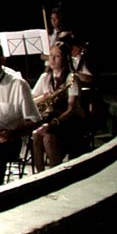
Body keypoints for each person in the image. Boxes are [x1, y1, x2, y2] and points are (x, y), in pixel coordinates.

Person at [0, 39, 40, 188]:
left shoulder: (18, 84)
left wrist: (11, 134)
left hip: (8, 136)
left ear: (2, 60)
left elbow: (35, 121)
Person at [31, 41, 83, 172]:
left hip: (66, 121)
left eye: (57, 56)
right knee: (36, 135)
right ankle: (39, 175)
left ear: (65, 58)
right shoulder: (45, 77)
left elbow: (71, 110)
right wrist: (44, 97)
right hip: (48, 118)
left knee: (48, 138)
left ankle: (55, 173)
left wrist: (52, 124)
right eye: (51, 55)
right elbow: (31, 101)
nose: (52, 59)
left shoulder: (71, 79)